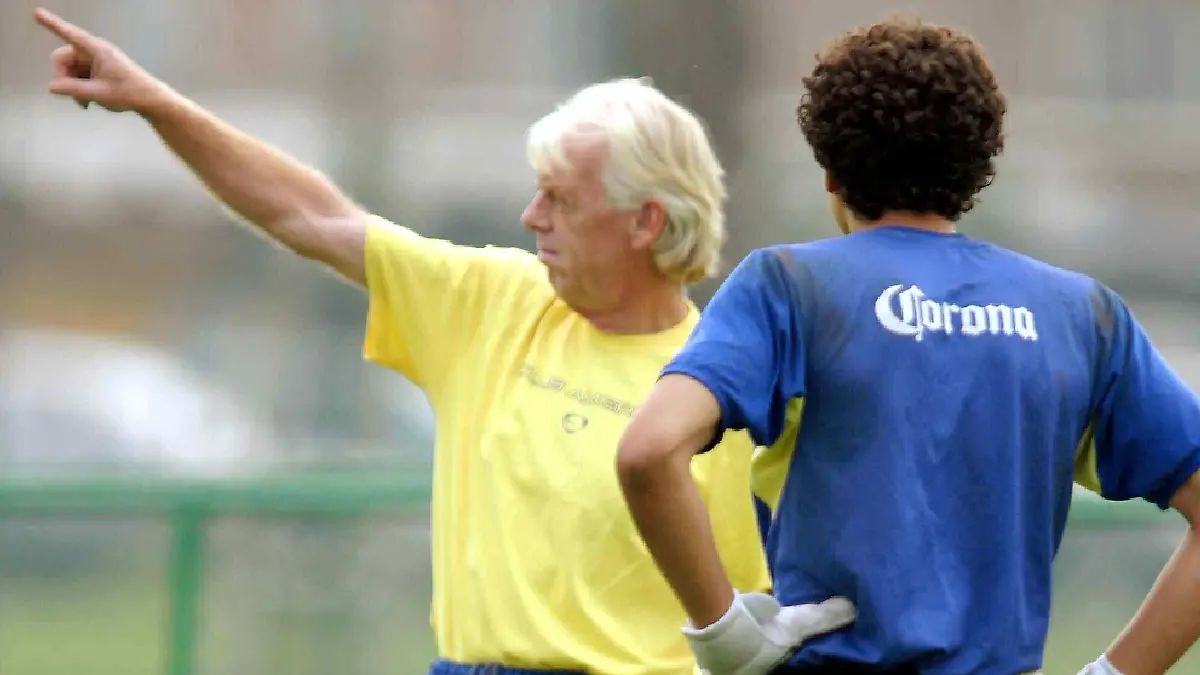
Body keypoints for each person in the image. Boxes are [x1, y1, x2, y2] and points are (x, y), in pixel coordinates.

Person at [31, 7, 862, 675]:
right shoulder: (490, 299)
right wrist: (157, 104)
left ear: (645, 220)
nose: (531, 218)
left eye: (558, 199)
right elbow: (310, 214)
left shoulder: (739, 375)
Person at [616, 15, 1200, 675]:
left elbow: (649, 450)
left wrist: (722, 630)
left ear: (832, 172)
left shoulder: (787, 286)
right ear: (978, 166)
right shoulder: (1081, 314)